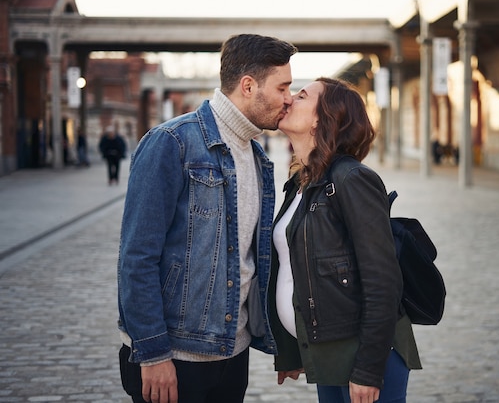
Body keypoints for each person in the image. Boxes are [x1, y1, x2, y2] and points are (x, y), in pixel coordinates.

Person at [117, 34, 297, 403]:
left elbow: (253, 263)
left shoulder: (258, 158)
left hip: (233, 356)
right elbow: (136, 257)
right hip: (175, 358)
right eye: (283, 87)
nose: (289, 98)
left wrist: (281, 343)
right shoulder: (172, 142)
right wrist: (152, 353)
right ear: (249, 86)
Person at [269, 77, 421, 403]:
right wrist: (290, 350)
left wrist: (368, 369)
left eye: (302, 95)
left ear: (322, 118)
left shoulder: (352, 179)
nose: (288, 99)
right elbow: (293, 269)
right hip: (328, 353)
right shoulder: (300, 183)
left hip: (364, 354)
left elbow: (383, 280)